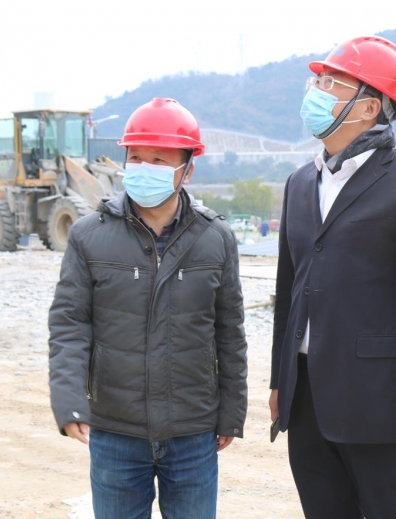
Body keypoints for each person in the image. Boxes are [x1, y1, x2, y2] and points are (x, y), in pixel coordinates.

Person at [269, 36, 396, 519]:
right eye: (317, 81)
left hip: (381, 400)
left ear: (369, 107)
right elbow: (290, 291)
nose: (315, 92)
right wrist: (280, 380)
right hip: (307, 395)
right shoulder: (300, 182)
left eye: (330, 84)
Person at [48, 97, 249, 518]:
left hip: (192, 432)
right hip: (115, 431)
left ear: (187, 169)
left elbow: (229, 332)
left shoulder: (215, 238)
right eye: (136, 157)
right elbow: (70, 324)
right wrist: (69, 402)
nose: (144, 167)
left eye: (159, 160)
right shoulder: (88, 235)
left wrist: (231, 413)